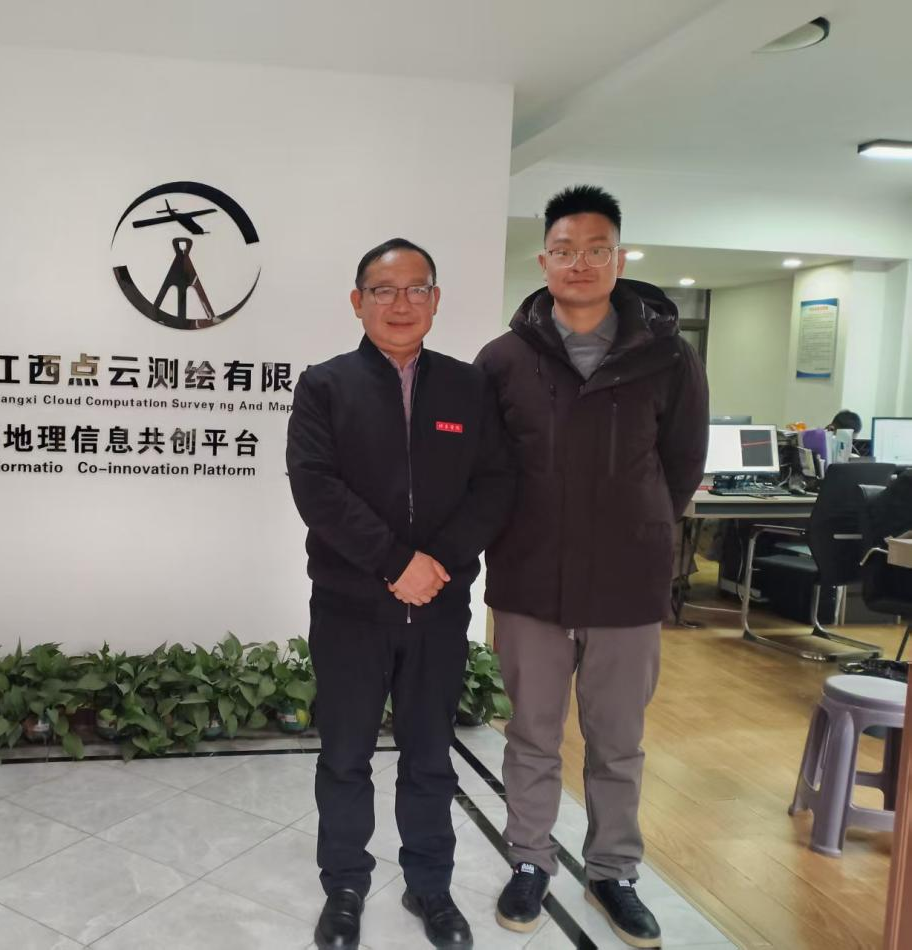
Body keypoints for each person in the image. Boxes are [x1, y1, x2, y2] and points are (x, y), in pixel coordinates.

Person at [474, 186, 708, 948]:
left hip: (625, 585)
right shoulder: (502, 360)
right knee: (531, 734)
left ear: (619, 259)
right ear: (543, 260)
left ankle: (613, 872)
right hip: (529, 580)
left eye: (595, 249)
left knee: (616, 740)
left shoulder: (667, 357)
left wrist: (636, 528)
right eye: (564, 250)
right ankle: (529, 860)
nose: (579, 263)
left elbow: (681, 464)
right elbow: (486, 469)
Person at [287, 238, 515, 950]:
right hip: (348, 607)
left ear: (435, 301)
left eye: (417, 289)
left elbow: (495, 484)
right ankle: (344, 885)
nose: (400, 304)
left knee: (429, 756)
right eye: (383, 290)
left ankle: (430, 885)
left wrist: (434, 564)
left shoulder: (468, 387)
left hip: (439, 607)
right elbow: (316, 489)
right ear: (357, 302)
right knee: (344, 755)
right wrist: (394, 563)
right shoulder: (324, 385)